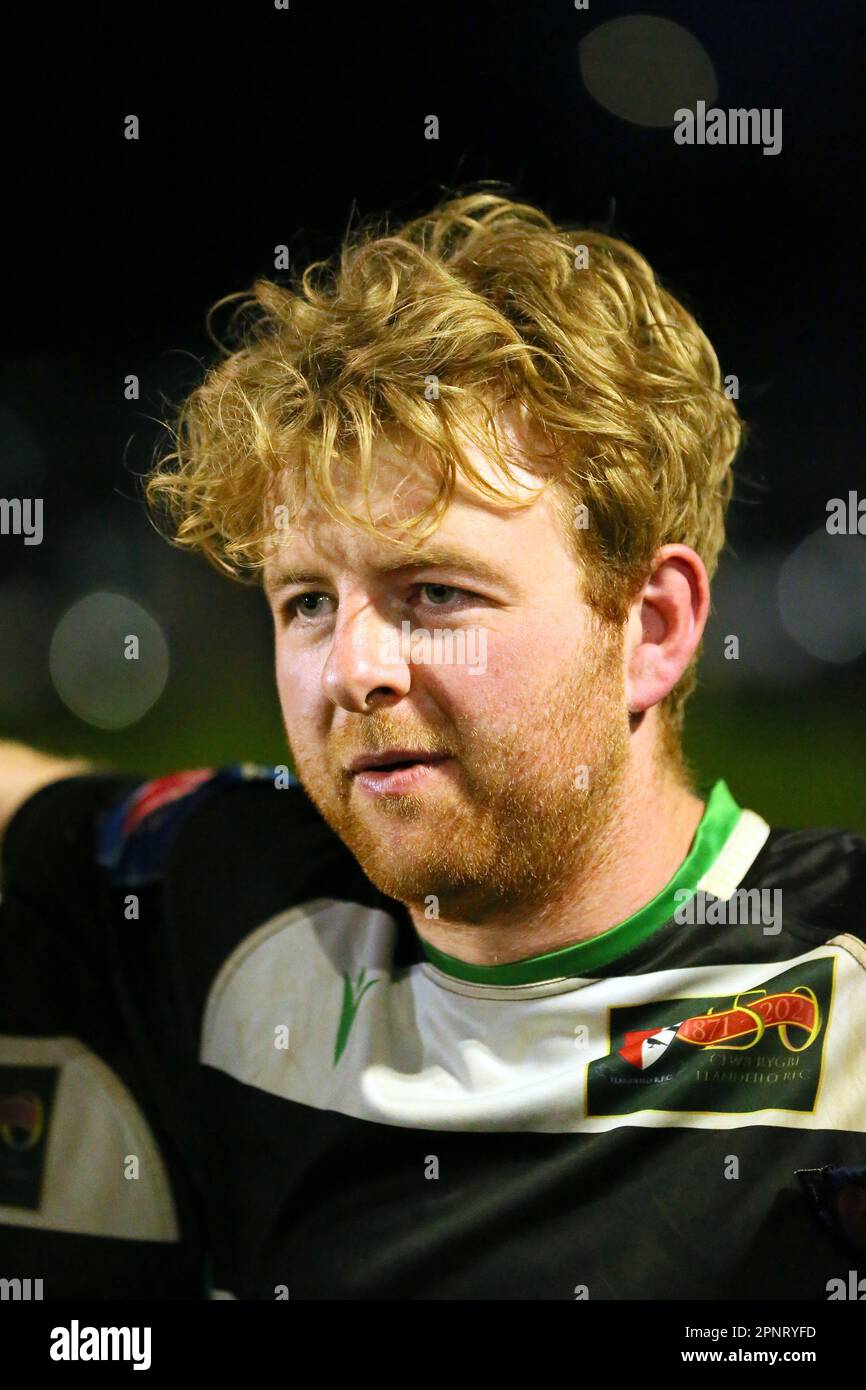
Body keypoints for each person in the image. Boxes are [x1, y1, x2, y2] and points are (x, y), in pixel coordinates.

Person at [2, 192, 864, 1299]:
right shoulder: (218, 896)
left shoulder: (835, 992)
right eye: (306, 600)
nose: (351, 668)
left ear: (649, 627)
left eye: (434, 591)